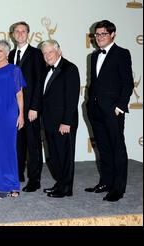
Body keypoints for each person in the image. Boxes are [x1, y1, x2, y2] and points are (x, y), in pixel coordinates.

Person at [85, 20, 134, 202]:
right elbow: (94, 83)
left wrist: (120, 107)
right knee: (103, 148)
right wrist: (90, 103)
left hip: (113, 110)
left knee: (117, 148)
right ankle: (105, 182)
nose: (99, 38)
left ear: (112, 34)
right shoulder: (94, 56)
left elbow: (127, 82)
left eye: (103, 34)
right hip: (95, 109)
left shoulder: (122, 54)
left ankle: (118, 189)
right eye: (96, 34)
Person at [0, 40, 26, 198]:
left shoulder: (14, 70)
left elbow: (19, 94)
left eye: (1, 51)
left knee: (9, 149)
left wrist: (21, 114)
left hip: (9, 113)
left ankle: (13, 185)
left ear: (7, 53)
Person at [8, 21, 46, 190]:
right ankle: (18, 173)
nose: (20, 34)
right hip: (13, 108)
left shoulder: (36, 54)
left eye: (23, 31)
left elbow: (40, 82)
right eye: (17, 31)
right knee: (17, 142)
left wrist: (35, 107)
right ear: (13, 35)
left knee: (33, 144)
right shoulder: (9, 55)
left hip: (30, 107)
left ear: (28, 33)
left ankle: (34, 179)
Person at [40, 40, 80, 198]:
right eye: (45, 53)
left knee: (65, 156)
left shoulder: (70, 68)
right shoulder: (46, 70)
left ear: (59, 51)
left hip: (64, 122)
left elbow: (72, 98)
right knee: (54, 156)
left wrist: (66, 122)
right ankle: (60, 183)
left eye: (50, 52)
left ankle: (66, 188)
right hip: (49, 121)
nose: (47, 55)